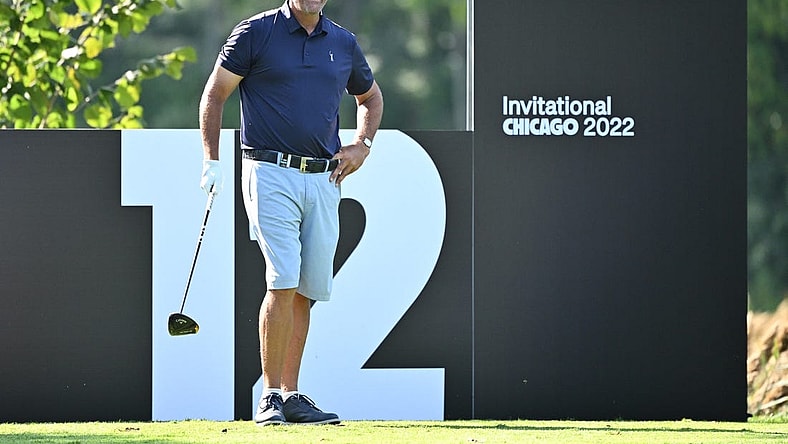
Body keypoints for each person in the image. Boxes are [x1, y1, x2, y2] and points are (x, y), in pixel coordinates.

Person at [197, 0, 383, 426]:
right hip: (269, 171)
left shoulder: (342, 41)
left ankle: (291, 393)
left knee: (306, 290)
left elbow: (370, 97)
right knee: (282, 278)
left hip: (324, 178)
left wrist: (362, 146)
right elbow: (215, 92)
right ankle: (269, 397)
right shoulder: (255, 33)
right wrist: (211, 159)